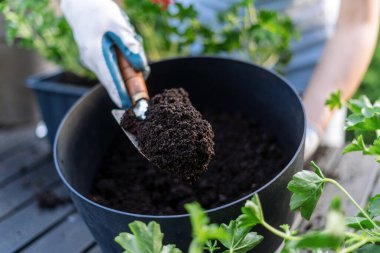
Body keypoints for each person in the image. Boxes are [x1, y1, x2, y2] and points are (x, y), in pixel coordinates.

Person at [60, 0, 379, 159]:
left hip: (310, 85)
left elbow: (358, 23)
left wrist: (309, 128)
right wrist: (87, 6)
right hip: (198, 78)